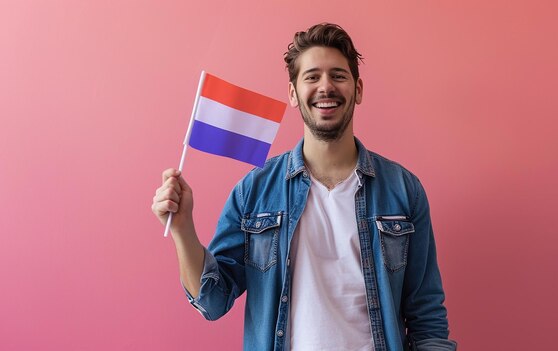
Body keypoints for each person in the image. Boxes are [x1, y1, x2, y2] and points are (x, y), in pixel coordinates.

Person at [152, 23, 457, 351]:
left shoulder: (403, 189)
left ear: (358, 89)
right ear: (293, 93)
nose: (326, 86)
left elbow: (426, 316)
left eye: (338, 75)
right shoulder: (253, 193)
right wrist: (183, 230)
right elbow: (213, 301)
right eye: (312, 76)